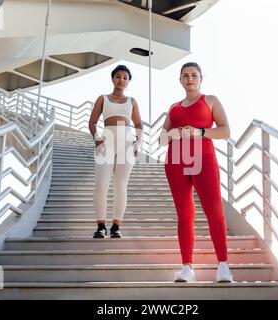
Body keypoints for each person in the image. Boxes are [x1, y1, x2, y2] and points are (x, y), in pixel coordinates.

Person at [159, 62, 233, 282]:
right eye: (185, 75)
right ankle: (187, 268)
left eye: (194, 75)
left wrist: (199, 131)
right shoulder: (174, 107)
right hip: (175, 161)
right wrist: (172, 134)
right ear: (180, 80)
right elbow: (162, 139)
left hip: (204, 159)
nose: (189, 79)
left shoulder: (210, 100)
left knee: (214, 209)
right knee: (184, 214)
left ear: (200, 78)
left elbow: (225, 131)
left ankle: (223, 266)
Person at [89, 65, 143, 238]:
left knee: (121, 186)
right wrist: (96, 137)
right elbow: (92, 122)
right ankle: (100, 226)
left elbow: (139, 125)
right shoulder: (102, 98)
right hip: (106, 141)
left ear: (128, 81)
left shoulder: (132, 101)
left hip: (127, 142)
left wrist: (138, 142)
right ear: (113, 79)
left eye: (125, 78)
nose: (121, 80)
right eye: (118, 77)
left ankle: (116, 227)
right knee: (101, 185)